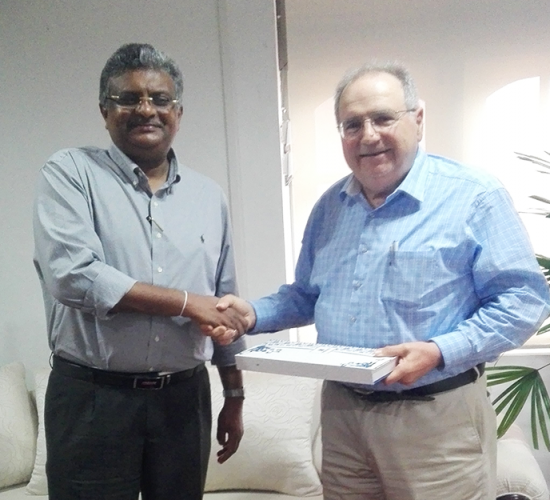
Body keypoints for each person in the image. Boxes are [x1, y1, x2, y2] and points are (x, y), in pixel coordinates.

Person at [205, 62, 550, 499]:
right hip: (342, 414)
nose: (368, 136)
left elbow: (523, 300)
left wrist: (439, 351)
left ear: (418, 119)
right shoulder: (331, 206)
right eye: (352, 124)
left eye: (383, 118)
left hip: (433, 418)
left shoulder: (474, 197)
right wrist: (251, 314)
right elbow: (307, 295)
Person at [33, 43, 248, 500]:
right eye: (128, 99)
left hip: (184, 400)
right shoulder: (70, 173)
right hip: (93, 399)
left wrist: (234, 395)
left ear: (178, 112)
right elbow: (73, 276)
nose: (146, 109)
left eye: (160, 99)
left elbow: (223, 299)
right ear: (105, 111)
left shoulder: (209, 196)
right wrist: (186, 304)